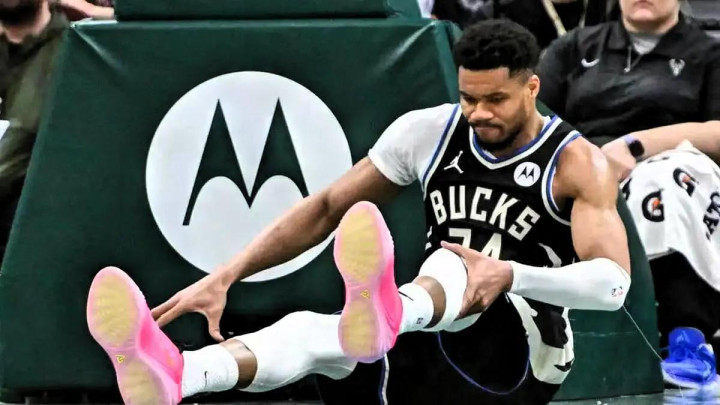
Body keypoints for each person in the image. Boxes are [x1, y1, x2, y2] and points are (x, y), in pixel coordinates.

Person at [85, 20, 632, 405]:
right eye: (469, 98)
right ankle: (182, 374)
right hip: (427, 343)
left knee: (454, 262)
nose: (478, 113)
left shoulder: (577, 163)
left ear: (532, 87)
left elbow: (613, 286)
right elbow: (326, 208)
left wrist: (510, 274)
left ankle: (396, 309)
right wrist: (227, 275)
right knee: (310, 333)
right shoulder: (427, 132)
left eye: (496, 100)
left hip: (521, 355)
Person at [600, 120, 720, 388]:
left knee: (661, 181)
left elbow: (716, 133)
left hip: (676, 162)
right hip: (588, 166)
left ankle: (687, 340)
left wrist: (630, 145)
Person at [537, 0, 720, 146]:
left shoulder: (710, 55)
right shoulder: (573, 47)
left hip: (672, 165)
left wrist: (632, 146)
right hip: (581, 164)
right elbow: (534, 116)